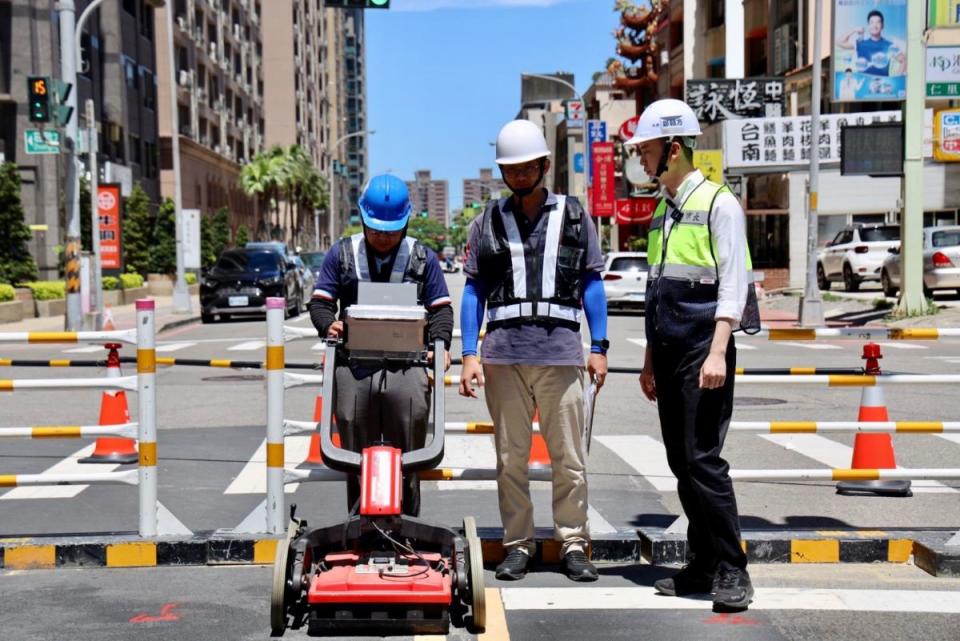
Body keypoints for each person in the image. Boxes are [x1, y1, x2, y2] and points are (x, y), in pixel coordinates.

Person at [624, 98, 760, 611]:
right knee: (681, 462)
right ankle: (703, 563)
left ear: (673, 148)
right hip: (669, 349)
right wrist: (648, 360)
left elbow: (733, 285)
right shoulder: (663, 208)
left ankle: (732, 568)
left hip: (705, 348)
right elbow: (656, 287)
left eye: (647, 148)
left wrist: (719, 351)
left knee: (704, 461)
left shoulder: (720, 204)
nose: (640, 156)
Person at [458, 119, 609, 582]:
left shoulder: (577, 216)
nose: (520, 175)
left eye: (528, 167)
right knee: (510, 459)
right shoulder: (486, 221)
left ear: (544, 165)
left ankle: (573, 543)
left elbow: (591, 284)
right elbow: (473, 291)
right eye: (512, 169)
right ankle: (518, 544)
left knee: (570, 458)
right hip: (502, 355)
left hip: (562, 353)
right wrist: (469, 353)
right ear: (502, 172)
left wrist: (599, 345)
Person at [308, 174, 453, 517]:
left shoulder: (422, 257)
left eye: (390, 231)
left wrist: (441, 344)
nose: (383, 237)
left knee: (413, 425)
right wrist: (329, 324)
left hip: (408, 365)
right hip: (354, 365)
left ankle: (408, 518)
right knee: (354, 440)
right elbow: (319, 303)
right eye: (376, 230)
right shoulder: (341, 254)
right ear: (363, 220)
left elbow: (441, 310)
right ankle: (358, 519)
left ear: (405, 223)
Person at [838, 9, 904, 77]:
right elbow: (839, 42)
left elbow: (904, 61)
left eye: (878, 22)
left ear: (882, 25)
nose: (874, 25)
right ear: (868, 26)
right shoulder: (860, 43)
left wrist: (895, 78)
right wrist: (854, 29)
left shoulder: (890, 45)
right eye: (872, 22)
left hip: (881, 86)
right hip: (863, 84)